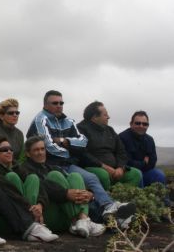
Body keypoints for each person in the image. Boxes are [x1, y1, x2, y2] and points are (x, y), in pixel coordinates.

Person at [27, 90, 135, 228]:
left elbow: (83, 142)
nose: (59, 105)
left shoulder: (68, 121)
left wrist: (64, 141)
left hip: (67, 164)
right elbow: (49, 147)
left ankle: (109, 207)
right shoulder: (40, 120)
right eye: (55, 103)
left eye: (61, 103)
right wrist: (70, 148)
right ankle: (87, 219)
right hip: (48, 166)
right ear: (45, 105)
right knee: (77, 186)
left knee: (91, 178)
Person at [18, 136, 106, 237]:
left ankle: (82, 219)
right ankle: (77, 221)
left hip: (64, 215)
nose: (41, 152)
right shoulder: (23, 169)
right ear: (28, 153)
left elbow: (72, 184)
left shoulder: (51, 167)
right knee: (55, 175)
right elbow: (41, 185)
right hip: (46, 213)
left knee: (75, 176)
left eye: (42, 149)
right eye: (36, 150)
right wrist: (65, 194)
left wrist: (89, 194)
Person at [0, 137, 59, 242]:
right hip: (5, 216)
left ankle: (34, 226)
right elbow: (8, 190)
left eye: (10, 149)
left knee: (33, 178)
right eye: (4, 150)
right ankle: (32, 226)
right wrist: (30, 207)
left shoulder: (17, 167)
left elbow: (39, 185)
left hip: (25, 213)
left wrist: (40, 205)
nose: (9, 151)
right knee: (12, 177)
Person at [77, 101, 143, 190]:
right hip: (92, 168)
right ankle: (108, 201)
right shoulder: (80, 129)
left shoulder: (109, 130)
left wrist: (120, 167)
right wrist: (104, 167)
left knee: (135, 174)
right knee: (103, 175)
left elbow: (121, 151)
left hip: (115, 170)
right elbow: (83, 154)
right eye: (105, 115)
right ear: (95, 117)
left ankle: (120, 197)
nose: (108, 117)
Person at [119, 111, 167, 188]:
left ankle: (163, 199)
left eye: (145, 124)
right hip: (129, 173)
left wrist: (141, 164)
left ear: (148, 126)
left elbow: (152, 162)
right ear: (131, 124)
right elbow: (126, 162)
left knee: (159, 174)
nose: (141, 126)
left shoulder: (149, 139)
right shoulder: (122, 138)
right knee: (137, 174)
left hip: (146, 172)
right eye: (138, 123)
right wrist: (144, 162)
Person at [0, 98, 26, 166]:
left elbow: (22, 158)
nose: (15, 115)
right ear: (1, 116)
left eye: (17, 113)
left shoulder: (19, 134)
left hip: (16, 167)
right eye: (11, 113)